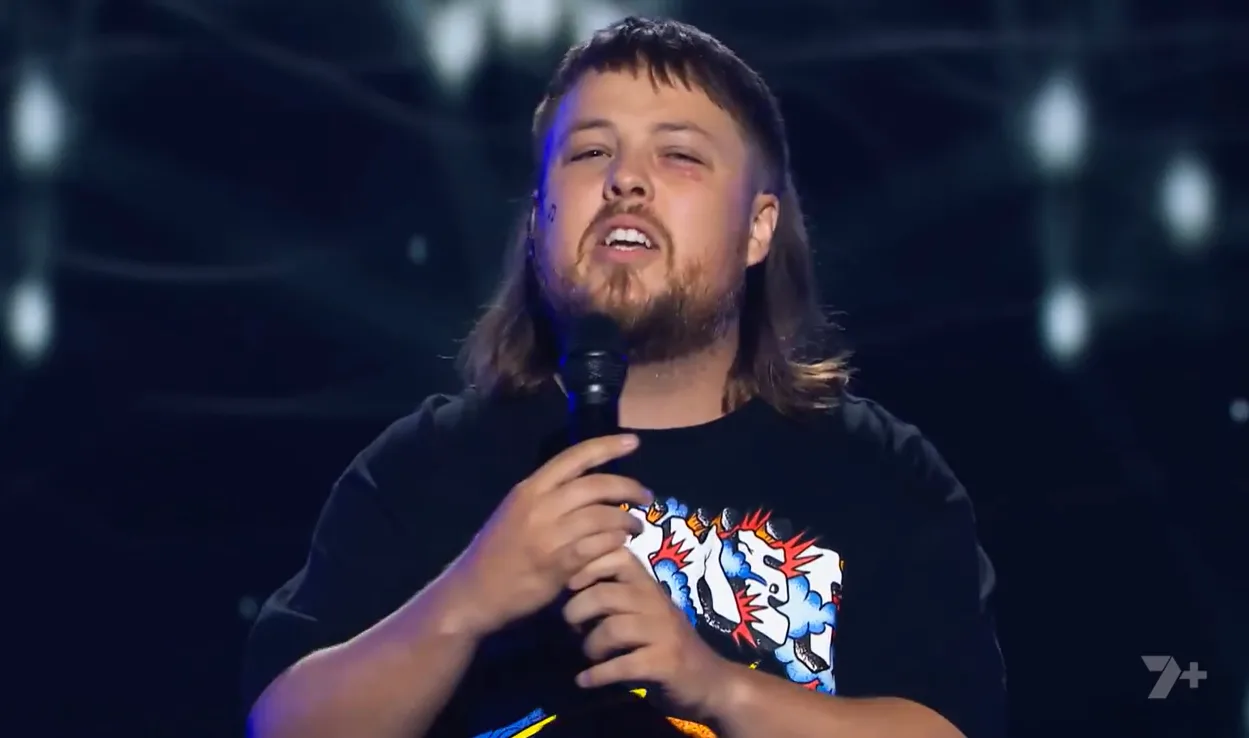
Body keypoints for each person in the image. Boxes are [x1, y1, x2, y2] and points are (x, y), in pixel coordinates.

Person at [241, 16, 1006, 738]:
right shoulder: (423, 466)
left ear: (757, 228)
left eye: (678, 155)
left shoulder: (878, 473)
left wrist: (715, 686)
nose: (625, 181)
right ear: (539, 221)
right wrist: (464, 602)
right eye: (589, 153)